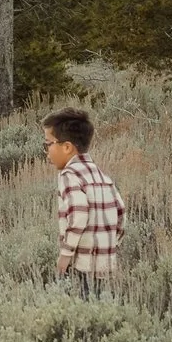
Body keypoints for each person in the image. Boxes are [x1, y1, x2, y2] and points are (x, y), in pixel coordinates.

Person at [44, 107, 125, 299]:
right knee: (100, 304)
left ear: (67, 147)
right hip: (105, 264)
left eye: (47, 144)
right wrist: (109, 246)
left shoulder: (69, 175)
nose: (46, 150)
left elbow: (79, 215)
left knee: (79, 307)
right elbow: (120, 212)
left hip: (81, 264)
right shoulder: (100, 174)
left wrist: (65, 255)